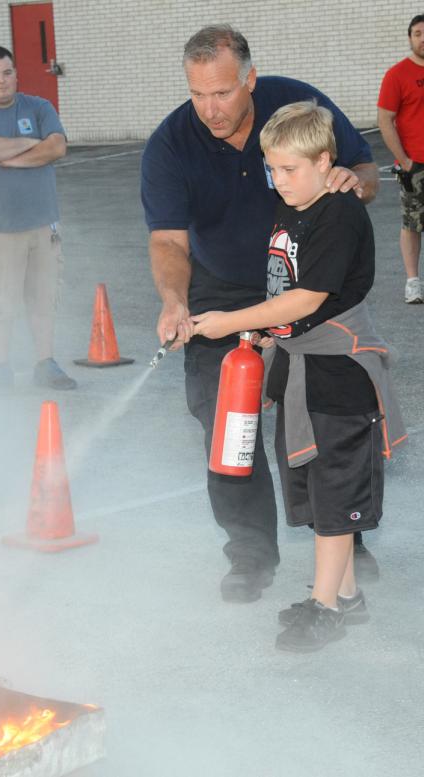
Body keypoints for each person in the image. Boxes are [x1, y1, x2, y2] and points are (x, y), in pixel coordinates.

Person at [140, 25, 379, 602]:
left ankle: (344, 534)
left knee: (320, 416)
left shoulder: (298, 107)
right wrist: (174, 301)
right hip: (219, 291)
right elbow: (170, 243)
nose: (210, 109)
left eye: (222, 92)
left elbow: (366, 171)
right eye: (197, 94)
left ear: (250, 79)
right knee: (224, 421)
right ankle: (249, 552)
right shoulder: (170, 144)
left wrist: (353, 181)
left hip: (307, 282)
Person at [192, 101, 405, 651]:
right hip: (300, 370)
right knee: (315, 494)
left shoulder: (337, 212)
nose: (279, 181)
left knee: (336, 495)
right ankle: (349, 598)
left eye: (291, 169)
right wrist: (266, 339)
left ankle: (326, 605)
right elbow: (285, 289)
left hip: (337, 377)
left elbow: (309, 296)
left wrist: (229, 321)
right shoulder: (295, 206)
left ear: (324, 160)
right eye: (273, 169)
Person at [0, 45, 76, 393]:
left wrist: (12, 156)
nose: (1, 81)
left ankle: (45, 364)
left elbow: (57, 147)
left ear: (16, 73)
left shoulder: (39, 107)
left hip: (43, 226)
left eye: (7, 72)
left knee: (43, 299)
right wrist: (30, 143)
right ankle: (1, 369)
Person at [377, 13, 424, 304]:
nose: (423, 38)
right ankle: (412, 282)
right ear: (410, 38)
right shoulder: (397, 74)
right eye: (418, 33)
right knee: (412, 224)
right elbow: (385, 120)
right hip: (415, 165)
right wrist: (403, 161)